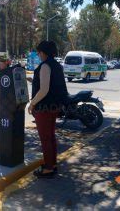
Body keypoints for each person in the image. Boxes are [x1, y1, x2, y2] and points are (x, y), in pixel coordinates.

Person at [28, 41, 68, 179]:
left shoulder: (45, 65)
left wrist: (32, 104)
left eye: (39, 52)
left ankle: (48, 169)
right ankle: (53, 164)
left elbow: (44, 90)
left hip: (44, 108)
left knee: (45, 139)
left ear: (43, 52)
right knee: (50, 137)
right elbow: (50, 85)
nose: (38, 55)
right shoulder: (56, 65)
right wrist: (32, 80)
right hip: (54, 107)